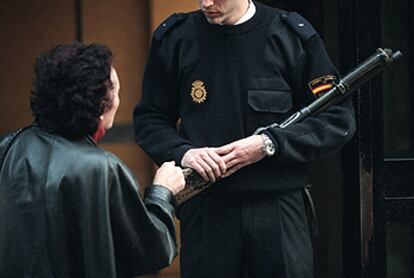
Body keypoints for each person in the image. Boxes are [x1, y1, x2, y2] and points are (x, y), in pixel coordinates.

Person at [134, 0, 356, 277]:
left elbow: (337, 120)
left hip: (278, 207)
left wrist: (269, 144)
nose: (206, 3)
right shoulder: (176, 37)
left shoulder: (289, 35)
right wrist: (183, 153)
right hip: (207, 209)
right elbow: (150, 119)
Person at [0, 42, 185, 278]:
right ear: (100, 103)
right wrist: (162, 193)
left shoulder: (9, 145)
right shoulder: (102, 168)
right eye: (115, 91)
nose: (118, 100)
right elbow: (151, 250)